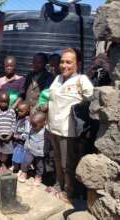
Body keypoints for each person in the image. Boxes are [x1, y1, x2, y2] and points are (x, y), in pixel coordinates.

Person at [47, 48, 94, 203]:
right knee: (57, 160)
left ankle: (70, 192)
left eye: (69, 62)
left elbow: (93, 98)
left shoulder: (82, 80)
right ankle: (59, 185)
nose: (64, 65)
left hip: (69, 131)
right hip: (53, 127)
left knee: (69, 164)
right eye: (62, 61)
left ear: (77, 64)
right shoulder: (58, 78)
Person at [0, 91, 16, 173]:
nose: (4, 104)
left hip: (8, 137)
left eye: (6, 102)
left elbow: (14, 124)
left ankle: (4, 164)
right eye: (2, 101)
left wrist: (11, 134)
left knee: (5, 153)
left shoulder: (12, 111)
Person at [19, 112, 48, 186]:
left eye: (35, 125)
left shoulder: (46, 131)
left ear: (43, 123)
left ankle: (38, 176)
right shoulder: (31, 128)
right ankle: (24, 172)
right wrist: (26, 146)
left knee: (40, 166)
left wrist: (47, 151)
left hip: (41, 153)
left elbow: (49, 142)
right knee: (25, 161)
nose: (33, 126)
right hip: (30, 150)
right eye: (32, 124)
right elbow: (28, 138)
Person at [11, 101, 30, 177]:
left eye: (21, 111)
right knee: (15, 154)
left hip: (22, 143)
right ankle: (15, 166)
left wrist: (18, 136)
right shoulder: (18, 117)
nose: (19, 112)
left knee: (21, 156)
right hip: (16, 141)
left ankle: (21, 169)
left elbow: (27, 134)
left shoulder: (27, 121)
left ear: (27, 111)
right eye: (18, 110)